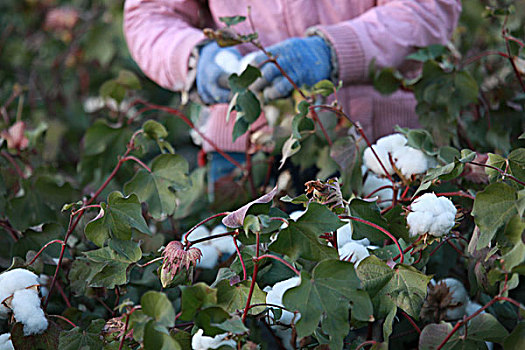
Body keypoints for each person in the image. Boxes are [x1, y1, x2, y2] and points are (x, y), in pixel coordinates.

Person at [123, 0, 461, 187]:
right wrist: (193, 56)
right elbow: (150, 13)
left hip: (377, 142)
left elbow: (427, 7)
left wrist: (334, 49)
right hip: (244, 150)